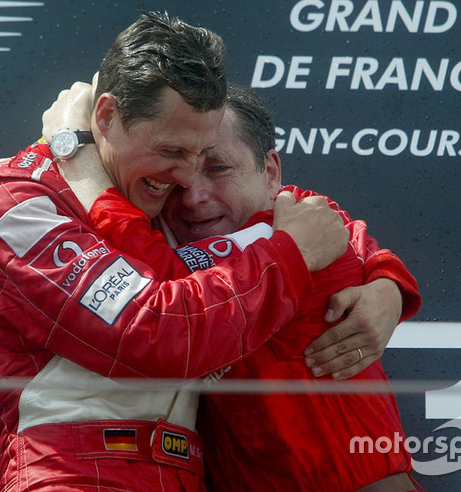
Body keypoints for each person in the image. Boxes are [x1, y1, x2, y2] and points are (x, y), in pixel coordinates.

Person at [0, 11, 350, 492]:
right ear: (107, 116)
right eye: (173, 151)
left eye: (203, 155)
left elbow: (302, 223)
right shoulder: (14, 204)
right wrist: (292, 256)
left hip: (185, 475)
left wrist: (384, 283)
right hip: (74, 476)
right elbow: (155, 332)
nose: (187, 178)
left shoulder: (160, 202)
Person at [72, 84, 422, 491]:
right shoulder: (292, 229)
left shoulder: (296, 225)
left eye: (217, 169)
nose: (193, 197)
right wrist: (389, 282)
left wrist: (82, 164)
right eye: (174, 179)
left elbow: (160, 281)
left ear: (270, 172)